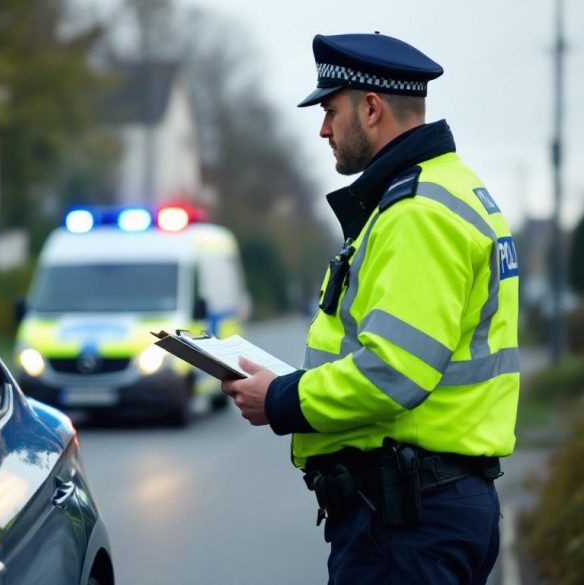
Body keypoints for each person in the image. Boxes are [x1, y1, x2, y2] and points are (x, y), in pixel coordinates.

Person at [221, 33, 519, 584]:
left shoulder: (416, 214)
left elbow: (394, 371)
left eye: (331, 110)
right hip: (430, 509)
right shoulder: (450, 189)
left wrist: (280, 398)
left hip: (407, 524)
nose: (324, 129)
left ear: (372, 108)